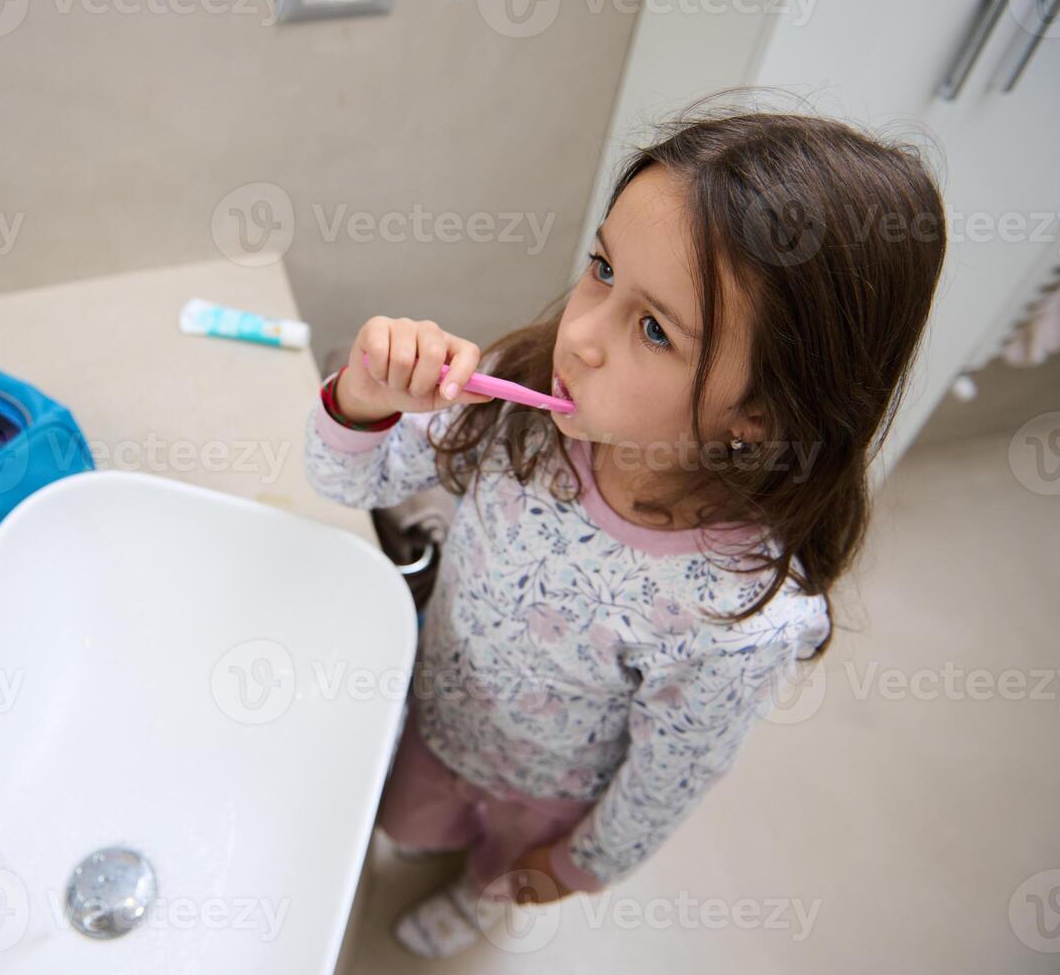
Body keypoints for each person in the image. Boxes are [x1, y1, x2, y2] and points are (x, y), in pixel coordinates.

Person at [302, 93, 948, 958]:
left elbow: (667, 777)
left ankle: (480, 899)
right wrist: (363, 399)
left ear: (755, 413)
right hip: (434, 708)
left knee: (500, 868)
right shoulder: (519, 399)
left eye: (652, 328)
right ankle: (432, 849)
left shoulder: (735, 619)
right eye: (601, 269)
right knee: (408, 824)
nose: (580, 338)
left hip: (540, 795)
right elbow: (341, 476)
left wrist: (576, 864)